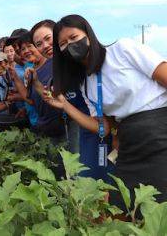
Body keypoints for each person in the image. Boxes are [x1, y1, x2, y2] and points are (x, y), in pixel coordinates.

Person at [44, 14, 167, 206]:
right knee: (126, 205)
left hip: (160, 131)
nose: (70, 45)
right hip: (130, 144)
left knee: (159, 205)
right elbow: (103, 128)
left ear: (88, 34)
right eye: (63, 44)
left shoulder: (122, 49)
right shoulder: (86, 83)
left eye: (74, 38)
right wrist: (65, 106)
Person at [30, 19, 112, 180]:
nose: (45, 46)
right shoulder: (61, 70)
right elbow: (57, 100)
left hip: (101, 133)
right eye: (39, 44)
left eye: (48, 38)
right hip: (86, 131)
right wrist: (36, 84)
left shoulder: (86, 64)